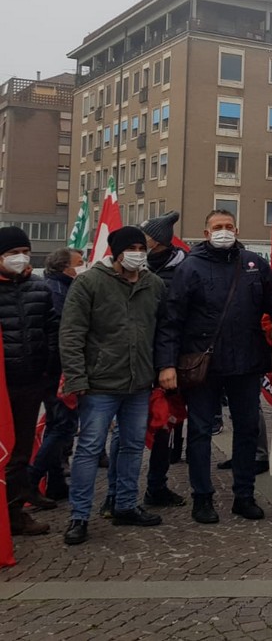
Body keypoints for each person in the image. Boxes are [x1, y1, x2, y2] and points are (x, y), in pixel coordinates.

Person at [156, 209, 272, 524]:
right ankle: (202, 498)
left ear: (237, 230)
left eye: (229, 226)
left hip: (245, 363)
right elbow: (171, 320)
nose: (224, 231)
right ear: (206, 233)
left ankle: (244, 495)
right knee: (200, 432)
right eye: (218, 227)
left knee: (246, 430)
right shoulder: (190, 267)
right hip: (203, 365)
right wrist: (166, 364)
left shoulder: (253, 262)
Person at [60, 227, 166, 545]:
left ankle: (125, 505)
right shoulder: (89, 282)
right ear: (116, 251)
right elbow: (72, 333)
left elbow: (162, 331)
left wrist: (162, 370)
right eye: (131, 247)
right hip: (99, 383)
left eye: (141, 247)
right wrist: (77, 378)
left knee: (133, 447)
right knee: (90, 449)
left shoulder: (153, 284)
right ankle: (79, 516)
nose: (137, 252)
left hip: (139, 383)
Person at [0, 226, 60, 536]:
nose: (20, 258)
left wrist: (48, 367)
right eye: (12, 254)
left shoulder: (40, 288)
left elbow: (52, 329)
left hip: (30, 381)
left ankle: (15, 515)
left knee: (19, 452)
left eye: (24, 252)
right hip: (1, 384)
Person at [139, 210, 189, 506]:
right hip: (136, 359)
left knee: (165, 422)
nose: (138, 245)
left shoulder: (184, 269)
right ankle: (119, 495)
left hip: (170, 358)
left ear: (157, 242)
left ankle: (156, 485)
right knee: (126, 431)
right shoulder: (135, 266)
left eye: (144, 239)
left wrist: (169, 360)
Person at [27, 247, 85, 503]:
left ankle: (55, 484)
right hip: (58, 371)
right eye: (80, 262)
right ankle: (31, 480)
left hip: (53, 370)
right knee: (62, 427)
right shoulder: (60, 292)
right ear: (66, 268)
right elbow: (65, 335)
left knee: (56, 426)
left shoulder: (53, 286)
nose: (83, 267)